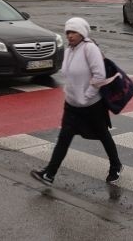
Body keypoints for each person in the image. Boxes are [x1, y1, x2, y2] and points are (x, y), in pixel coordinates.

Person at [31, 17, 122, 186]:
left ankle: (115, 166)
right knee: (64, 138)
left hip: (92, 104)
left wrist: (87, 96)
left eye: (74, 32)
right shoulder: (69, 50)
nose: (70, 36)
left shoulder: (90, 48)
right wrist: (71, 94)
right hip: (72, 105)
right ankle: (49, 174)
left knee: (103, 135)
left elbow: (99, 75)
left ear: (82, 33)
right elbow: (68, 75)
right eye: (68, 32)